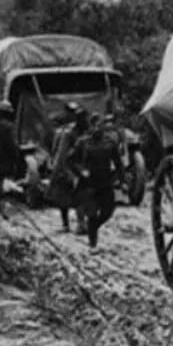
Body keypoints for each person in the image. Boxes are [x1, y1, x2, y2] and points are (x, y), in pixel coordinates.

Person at [70, 114, 125, 248]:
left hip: (105, 183)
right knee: (92, 214)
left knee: (108, 211)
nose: (97, 128)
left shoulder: (110, 143)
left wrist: (121, 180)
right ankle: (92, 244)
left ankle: (93, 227)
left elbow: (118, 164)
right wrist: (81, 171)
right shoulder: (82, 142)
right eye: (94, 125)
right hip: (88, 184)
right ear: (90, 127)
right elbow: (70, 160)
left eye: (99, 125)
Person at [49, 102, 92, 232]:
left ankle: (81, 223)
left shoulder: (86, 132)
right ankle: (66, 224)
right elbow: (61, 153)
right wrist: (64, 171)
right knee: (63, 198)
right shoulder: (68, 133)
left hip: (79, 166)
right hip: (67, 167)